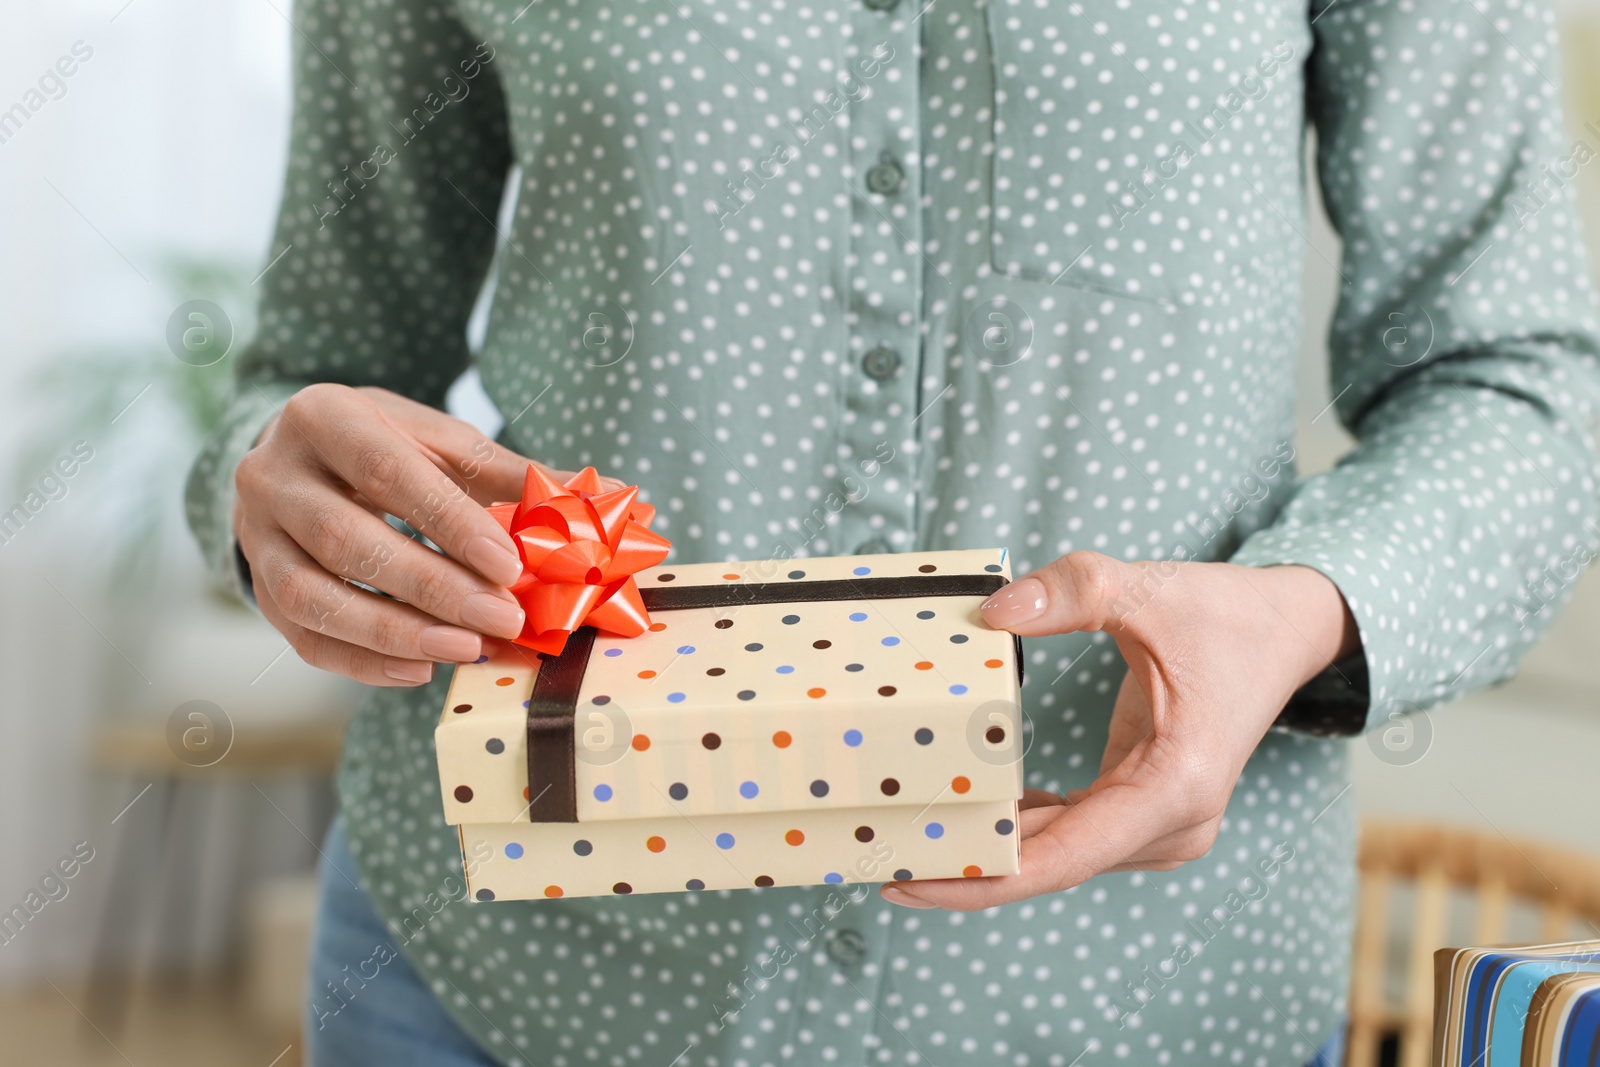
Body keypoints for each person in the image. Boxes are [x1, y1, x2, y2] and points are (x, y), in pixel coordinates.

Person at [186, 0, 1600, 1064]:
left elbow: (1521, 378)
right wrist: (272, 496)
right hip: (500, 976)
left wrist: (1307, 611)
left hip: (1148, 1000)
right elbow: (319, 364)